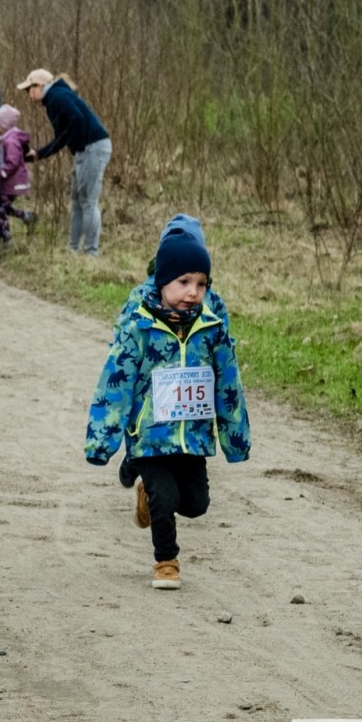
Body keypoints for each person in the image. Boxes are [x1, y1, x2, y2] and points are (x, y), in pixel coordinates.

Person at [84, 214, 250, 590]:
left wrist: (235, 439)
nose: (193, 291)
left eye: (201, 284)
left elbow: (229, 385)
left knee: (195, 504)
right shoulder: (139, 326)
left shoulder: (212, 329)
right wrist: (102, 441)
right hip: (149, 432)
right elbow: (115, 385)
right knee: (166, 496)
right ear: (161, 281)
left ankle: (143, 484)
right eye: (184, 282)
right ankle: (166, 561)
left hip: (192, 434)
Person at [18, 68, 112, 256]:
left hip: (92, 148)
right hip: (85, 150)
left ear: (40, 86)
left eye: (29, 89)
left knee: (88, 202)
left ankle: (91, 253)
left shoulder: (57, 96)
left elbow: (77, 120)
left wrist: (80, 146)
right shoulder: (54, 98)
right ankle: (73, 248)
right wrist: (40, 153)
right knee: (77, 202)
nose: (28, 94)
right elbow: (62, 136)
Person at [0, 104, 35, 244]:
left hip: (14, 182)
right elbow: (9, 162)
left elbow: (12, 164)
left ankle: (7, 238)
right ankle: (27, 216)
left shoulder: (11, 141)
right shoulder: (8, 138)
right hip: (12, 181)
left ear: (5, 125)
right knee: (2, 206)